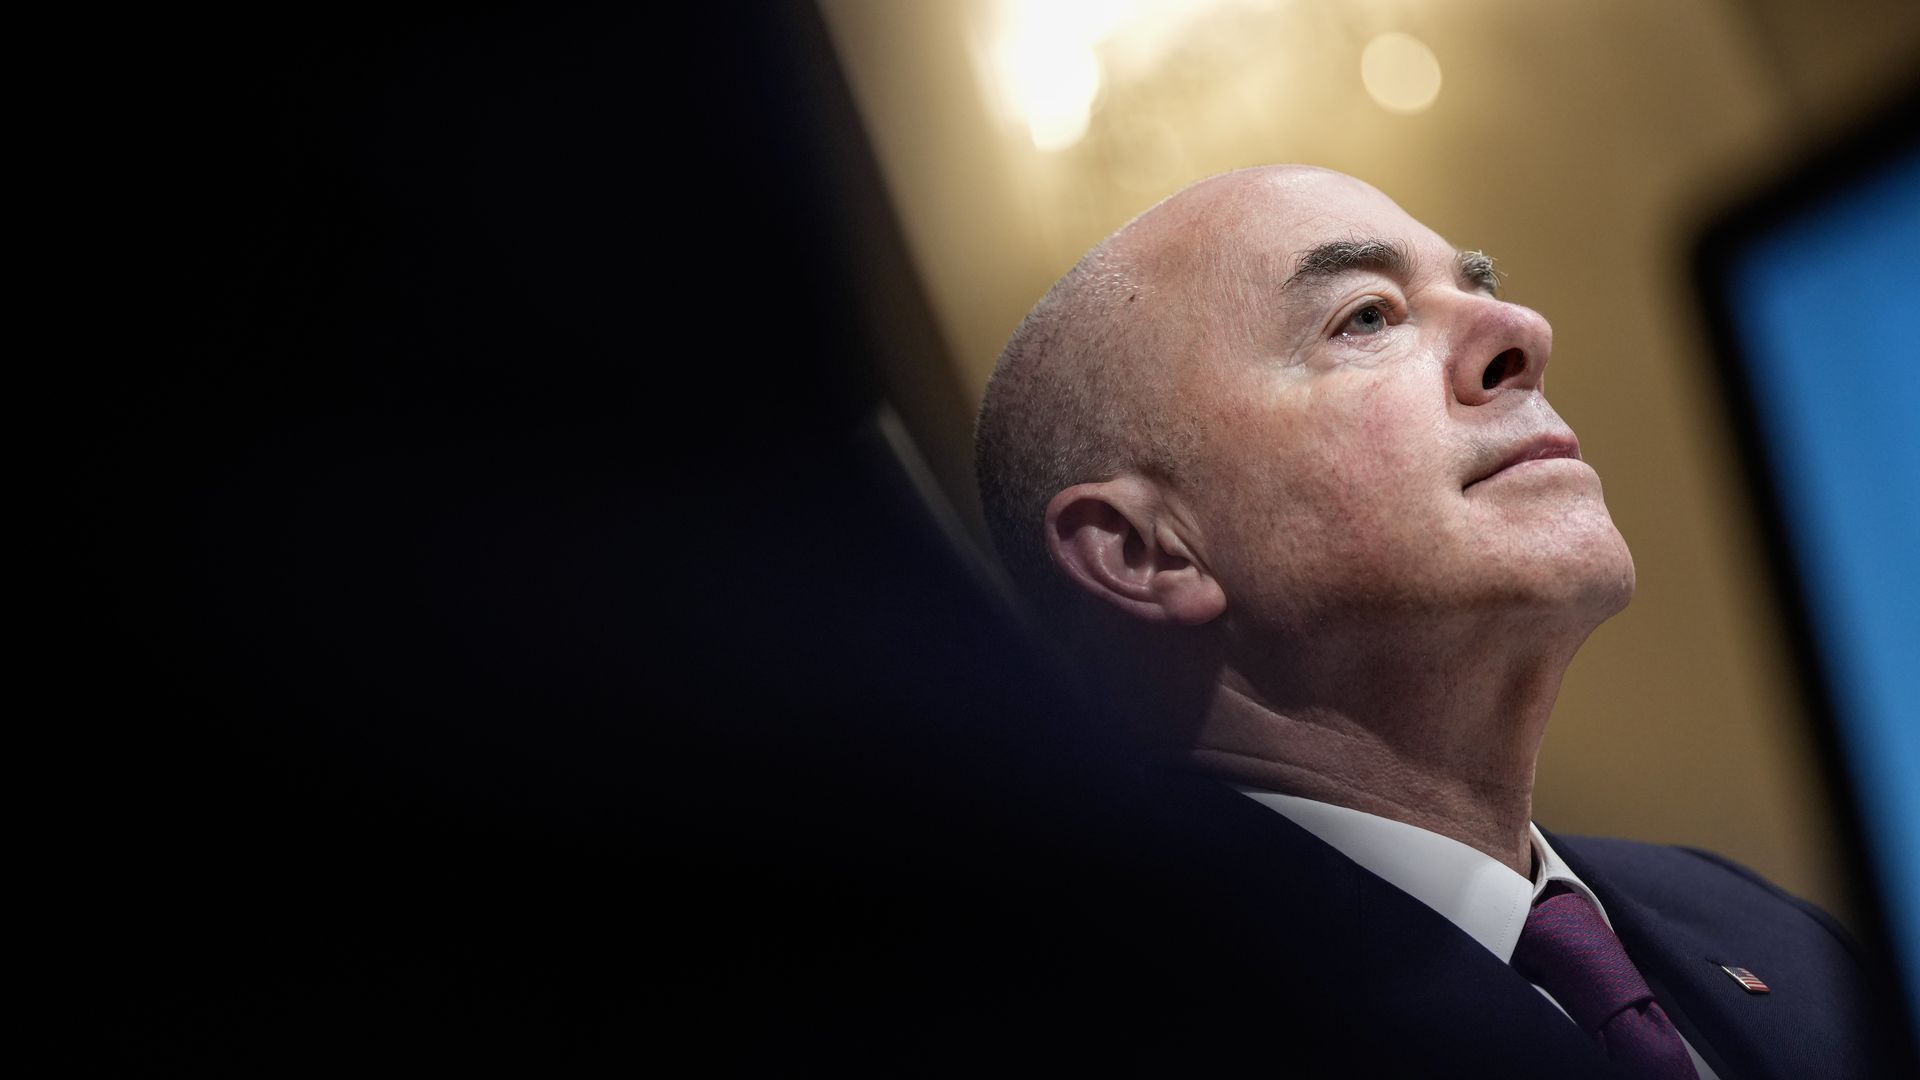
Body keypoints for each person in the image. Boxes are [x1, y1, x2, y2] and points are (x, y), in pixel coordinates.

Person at [971, 165, 1900, 1077]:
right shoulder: (1109, 1031)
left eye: (1479, 285)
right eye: (1366, 317)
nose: (1523, 332)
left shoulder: (1768, 927)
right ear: (1145, 551)